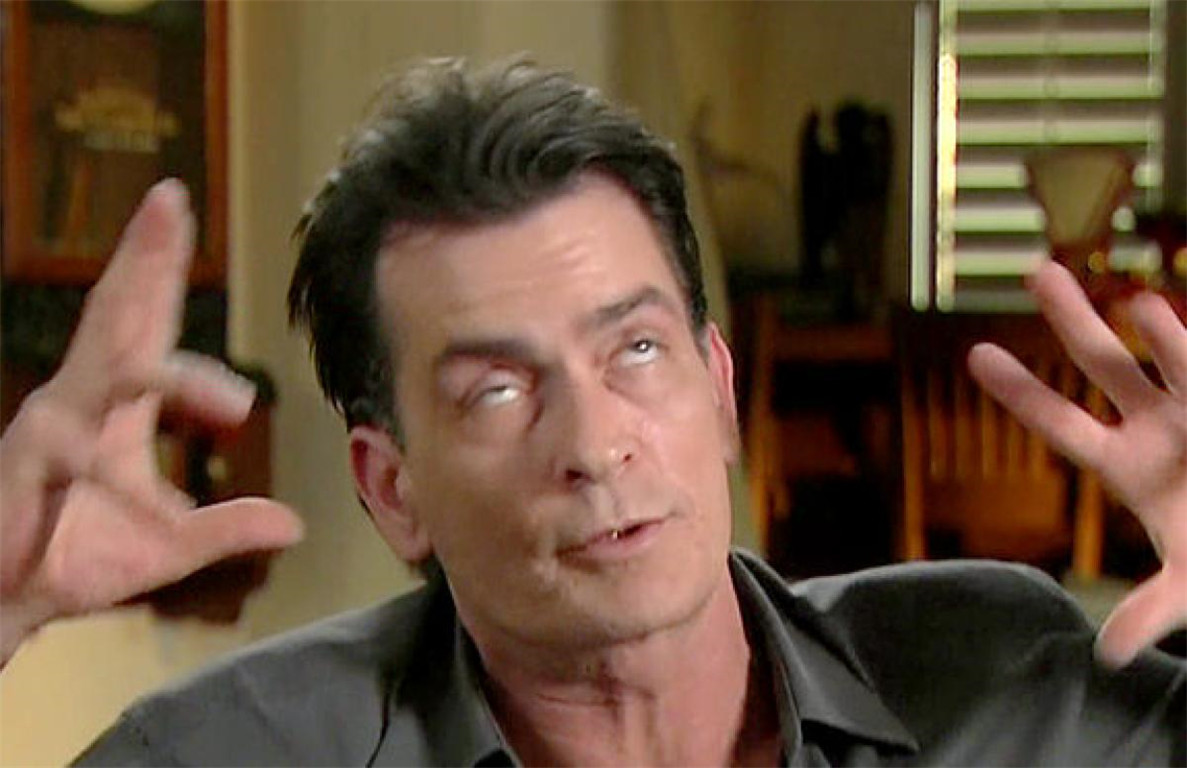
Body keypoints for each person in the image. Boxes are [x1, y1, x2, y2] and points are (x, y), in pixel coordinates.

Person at [0, 57, 1183, 766]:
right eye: (497, 391)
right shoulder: (240, 752)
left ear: (718, 389)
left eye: (636, 350)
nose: (594, 443)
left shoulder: (996, 676)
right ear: (392, 489)